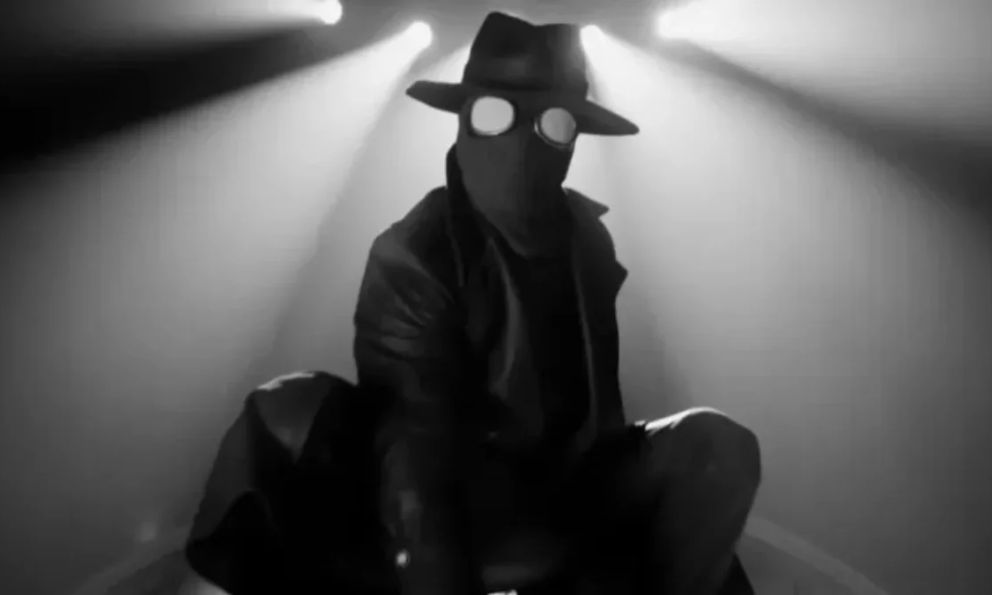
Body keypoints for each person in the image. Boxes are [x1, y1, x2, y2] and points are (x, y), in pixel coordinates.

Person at [184, 11, 761, 595]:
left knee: (719, 446)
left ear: (573, 135)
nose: (521, 144)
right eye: (495, 115)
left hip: (569, 486)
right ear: (464, 119)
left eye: (553, 124)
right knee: (294, 411)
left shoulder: (586, 239)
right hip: (466, 494)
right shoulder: (418, 252)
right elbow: (415, 446)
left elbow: (598, 416)